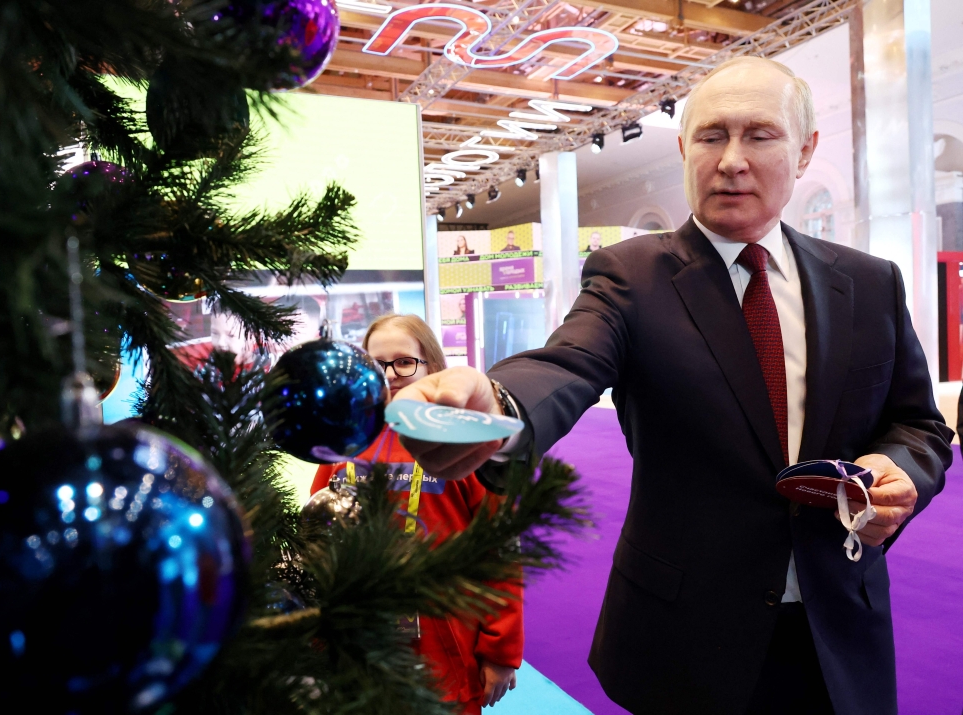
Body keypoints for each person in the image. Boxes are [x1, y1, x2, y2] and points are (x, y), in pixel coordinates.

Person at [393, 56, 953, 715]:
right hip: (688, 638)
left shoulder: (870, 282)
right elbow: (567, 364)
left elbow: (920, 424)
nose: (732, 159)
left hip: (839, 632)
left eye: (760, 135)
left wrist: (900, 466)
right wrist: (499, 404)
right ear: (685, 147)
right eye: (712, 135)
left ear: (806, 151)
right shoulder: (630, 276)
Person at [310, 314, 522, 714]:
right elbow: (318, 535)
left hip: (445, 640)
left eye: (405, 362)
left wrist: (500, 648)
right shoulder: (344, 443)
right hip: (359, 637)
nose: (391, 375)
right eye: (378, 364)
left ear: (433, 368)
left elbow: (501, 550)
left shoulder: (461, 443)